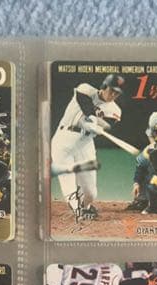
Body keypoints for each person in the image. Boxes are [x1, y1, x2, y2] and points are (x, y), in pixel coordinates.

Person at [51, 74, 124, 220]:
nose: (113, 95)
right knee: (69, 185)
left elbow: (108, 125)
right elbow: (84, 103)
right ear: (104, 86)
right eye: (112, 90)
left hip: (85, 144)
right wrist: (90, 120)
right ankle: (78, 210)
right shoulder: (85, 89)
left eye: (117, 93)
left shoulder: (115, 110)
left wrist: (98, 126)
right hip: (63, 139)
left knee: (91, 193)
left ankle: (86, 207)